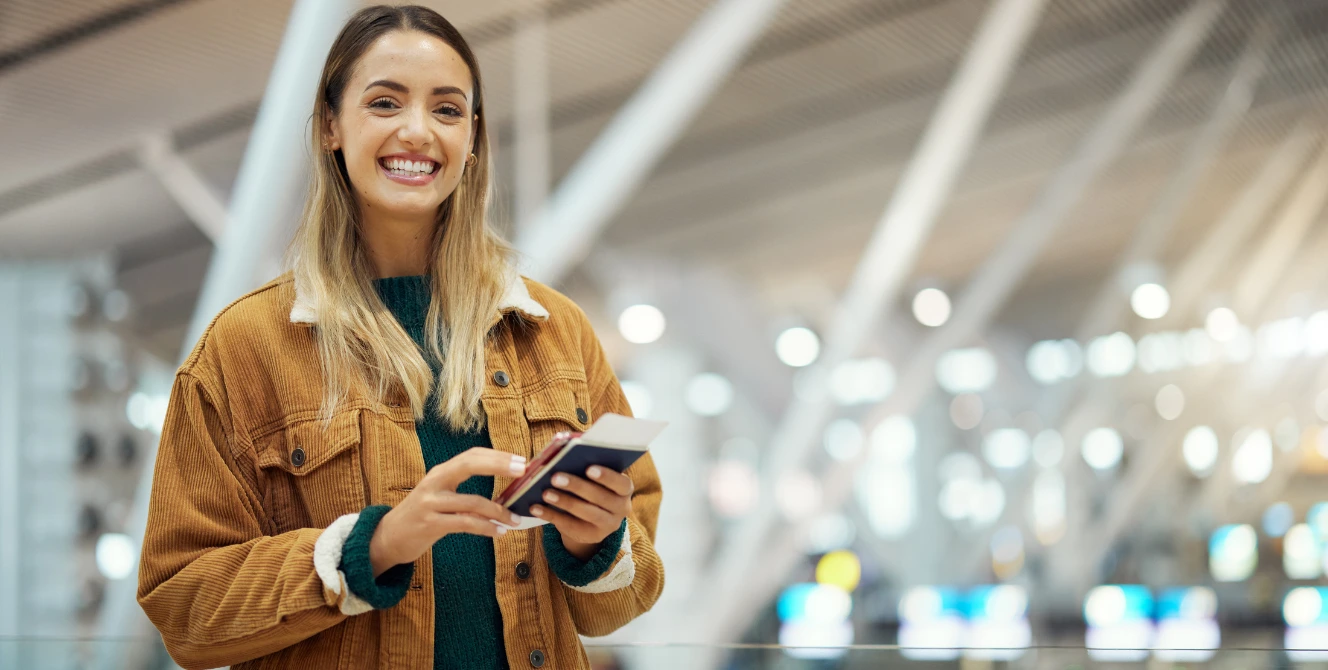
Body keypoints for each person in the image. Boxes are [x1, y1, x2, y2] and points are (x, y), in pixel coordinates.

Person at [136, 5, 664, 669]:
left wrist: (595, 542)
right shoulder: (244, 348)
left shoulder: (555, 331)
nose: (418, 131)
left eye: (447, 110)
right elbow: (183, 610)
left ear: (472, 137)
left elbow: (620, 603)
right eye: (385, 103)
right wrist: (374, 547)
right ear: (330, 125)